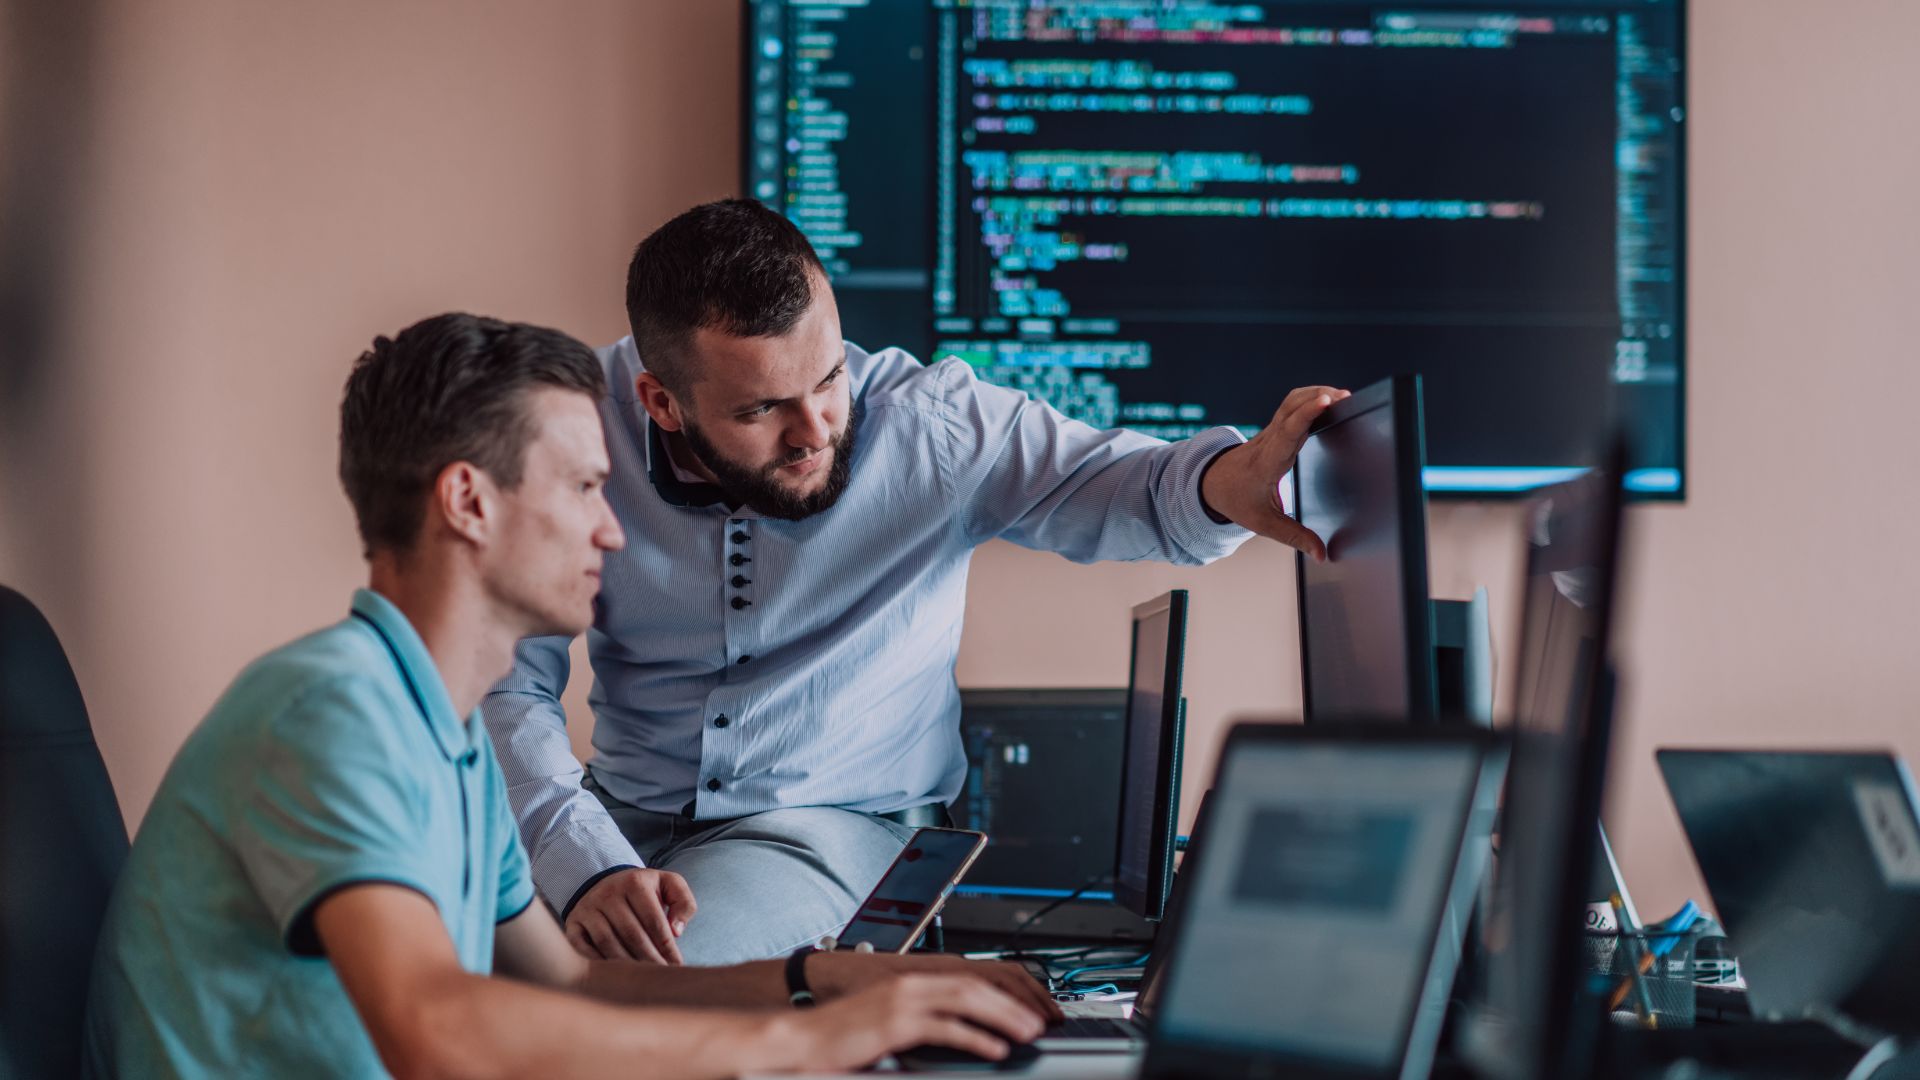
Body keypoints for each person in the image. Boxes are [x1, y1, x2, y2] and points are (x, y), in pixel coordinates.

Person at [81, 313, 1056, 1078]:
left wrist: (819, 981)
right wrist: (806, 1044)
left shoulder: (445, 736)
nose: (613, 532)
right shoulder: (334, 713)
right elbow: (435, 1036)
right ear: (469, 501)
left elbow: (582, 987)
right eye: (584, 489)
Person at [483, 198, 1350, 966]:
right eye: (760, 410)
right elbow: (505, 680)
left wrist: (1231, 484)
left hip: (828, 830)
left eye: (828, 379)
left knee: (657, 987)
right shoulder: (566, 434)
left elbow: (1137, 490)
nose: (814, 429)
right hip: (610, 813)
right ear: (661, 402)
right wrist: (583, 859)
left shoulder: (932, 423)